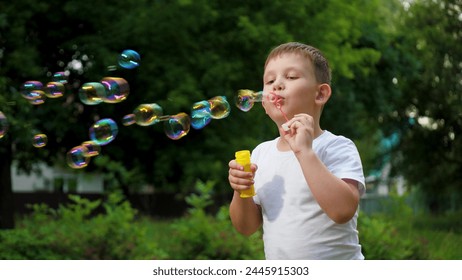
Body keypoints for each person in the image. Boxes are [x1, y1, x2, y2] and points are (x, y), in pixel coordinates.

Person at [228, 42, 366, 260]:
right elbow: (246, 227)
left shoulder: (336, 147)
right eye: (270, 81)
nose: (277, 85)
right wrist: (240, 189)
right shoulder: (261, 154)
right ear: (264, 103)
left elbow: (343, 211)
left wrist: (305, 152)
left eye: (291, 77)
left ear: (320, 94)